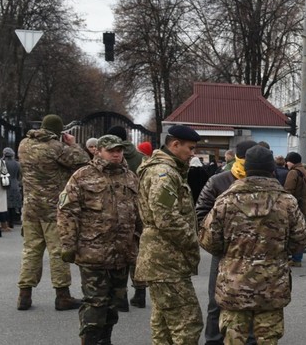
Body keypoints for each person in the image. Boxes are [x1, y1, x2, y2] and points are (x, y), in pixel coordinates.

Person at [199, 145, 306, 345]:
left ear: (246, 168)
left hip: (233, 287)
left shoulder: (225, 201)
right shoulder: (287, 202)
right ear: (272, 170)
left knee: (234, 339)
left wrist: (230, 253)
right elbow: (301, 240)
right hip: (271, 287)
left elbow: (209, 241)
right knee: (267, 340)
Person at [57, 135, 142, 345]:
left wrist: (141, 244)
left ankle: (105, 340)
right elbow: (67, 212)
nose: (116, 154)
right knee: (95, 304)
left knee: (113, 305)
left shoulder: (130, 178)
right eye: (111, 150)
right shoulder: (82, 176)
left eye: (120, 150)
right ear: (99, 151)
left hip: (122, 253)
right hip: (92, 252)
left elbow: (141, 214)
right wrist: (68, 244)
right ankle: (90, 340)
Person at [135, 124, 204, 345]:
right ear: (175, 145)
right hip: (166, 259)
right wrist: (193, 241)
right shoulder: (164, 173)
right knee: (187, 322)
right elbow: (167, 218)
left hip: (161, 258)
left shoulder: (166, 169)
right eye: (190, 148)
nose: (192, 154)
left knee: (164, 320)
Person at [17, 114, 90, 311]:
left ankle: (24, 294)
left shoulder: (23, 145)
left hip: (30, 207)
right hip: (51, 209)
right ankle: (62, 295)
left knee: (31, 250)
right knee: (58, 252)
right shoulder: (56, 148)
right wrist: (73, 144)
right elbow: (83, 161)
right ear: (58, 131)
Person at [195, 140, 259, 345]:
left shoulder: (264, 181)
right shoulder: (219, 181)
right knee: (216, 300)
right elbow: (201, 213)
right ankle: (213, 339)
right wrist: (218, 241)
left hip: (255, 253)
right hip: (224, 252)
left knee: (251, 300)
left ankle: (249, 339)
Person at [107, 126, 150, 312]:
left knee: (118, 251)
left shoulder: (110, 156)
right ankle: (140, 293)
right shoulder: (141, 157)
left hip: (114, 209)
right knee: (136, 251)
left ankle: (120, 295)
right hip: (138, 207)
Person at [284, 151, 306, 267]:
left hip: (295, 205)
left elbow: (288, 190)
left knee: (293, 230)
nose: (286, 164)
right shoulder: (305, 171)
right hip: (304, 204)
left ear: (291, 161)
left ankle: (296, 259)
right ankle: (298, 258)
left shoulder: (293, 172)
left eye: (287, 161)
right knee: (300, 230)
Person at [2, 147, 22, 229]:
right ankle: (12, 221)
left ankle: (6, 221)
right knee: (13, 204)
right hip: (15, 183)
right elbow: (19, 175)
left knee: (6, 204)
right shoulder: (17, 164)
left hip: (5, 183)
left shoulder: (3, 163)